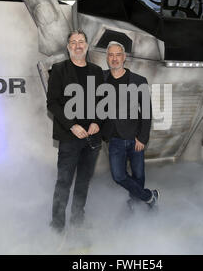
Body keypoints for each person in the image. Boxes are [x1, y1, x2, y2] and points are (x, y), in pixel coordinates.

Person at [47, 29, 104, 233]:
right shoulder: (59, 69)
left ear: (87, 46)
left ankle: (78, 220)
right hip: (69, 137)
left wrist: (97, 121)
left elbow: (102, 103)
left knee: (83, 182)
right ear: (68, 47)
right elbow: (52, 103)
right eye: (73, 42)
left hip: (92, 139)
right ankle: (57, 226)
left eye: (81, 42)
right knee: (64, 182)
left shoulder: (97, 71)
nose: (78, 45)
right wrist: (72, 125)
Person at [102, 41, 159, 211]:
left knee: (139, 175)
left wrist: (142, 137)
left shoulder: (139, 81)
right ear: (107, 58)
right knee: (118, 176)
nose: (114, 58)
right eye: (111, 55)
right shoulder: (100, 79)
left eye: (118, 55)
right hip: (114, 139)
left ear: (124, 57)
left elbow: (147, 111)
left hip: (135, 138)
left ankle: (135, 202)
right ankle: (149, 196)